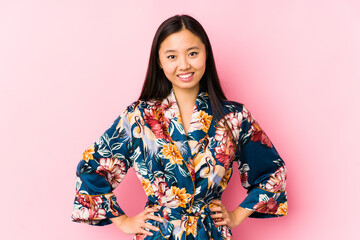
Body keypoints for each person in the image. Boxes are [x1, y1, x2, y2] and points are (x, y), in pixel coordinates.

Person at [71, 14, 288, 240]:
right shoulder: (139, 116)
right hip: (158, 234)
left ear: (206, 54)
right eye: (172, 56)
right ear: (159, 61)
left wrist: (236, 216)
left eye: (192, 53)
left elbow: (272, 172)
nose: (184, 65)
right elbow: (90, 168)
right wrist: (124, 221)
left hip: (210, 233)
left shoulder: (234, 117)